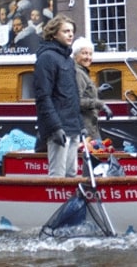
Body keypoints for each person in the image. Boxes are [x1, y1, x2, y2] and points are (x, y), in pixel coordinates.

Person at [34, 14, 83, 177]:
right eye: (66, 31)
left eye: (72, 31)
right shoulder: (46, 58)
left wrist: (79, 124)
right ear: (54, 34)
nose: (70, 34)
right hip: (59, 126)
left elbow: (72, 95)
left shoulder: (68, 60)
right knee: (57, 174)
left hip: (72, 125)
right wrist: (55, 127)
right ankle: (54, 203)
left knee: (71, 173)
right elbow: (43, 96)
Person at [72, 36, 113, 141]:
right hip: (84, 127)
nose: (88, 57)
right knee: (96, 154)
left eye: (90, 54)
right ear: (75, 55)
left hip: (90, 125)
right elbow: (76, 101)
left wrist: (98, 90)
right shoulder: (78, 73)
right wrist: (101, 104)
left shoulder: (82, 71)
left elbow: (84, 93)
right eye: (84, 53)